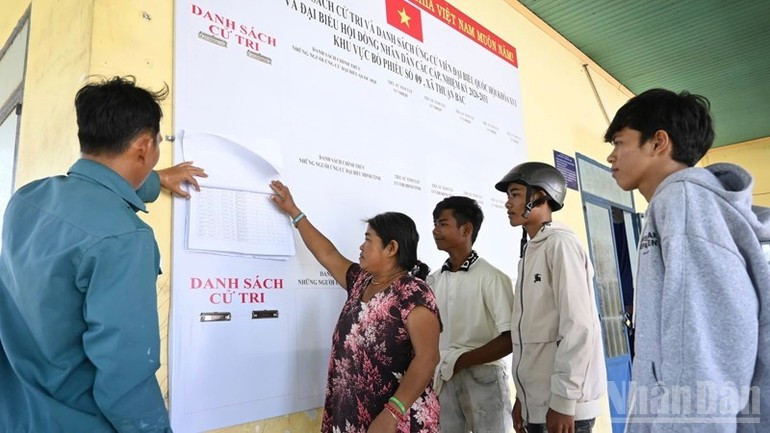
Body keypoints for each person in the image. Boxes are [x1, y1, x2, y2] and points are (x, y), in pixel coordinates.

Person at [0, 76, 205, 432]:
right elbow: (125, 378)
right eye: (157, 143)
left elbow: (97, 183)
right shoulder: (126, 239)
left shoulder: (27, 198)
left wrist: (153, 179)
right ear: (144, 147)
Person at [605, 88, 770, 432]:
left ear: (658, 142)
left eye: (619, 142)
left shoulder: (681, 200)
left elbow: (703, 339)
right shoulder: (683, 203)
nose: (611, 156)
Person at [269, 180, 441, 433]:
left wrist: (393, 412)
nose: (362, 246)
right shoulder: (361, 281)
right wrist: (295, 212)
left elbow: (428, 358)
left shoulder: (414, 293)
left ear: (391, 248)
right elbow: (327, 254)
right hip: (350, 415)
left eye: (368, 240)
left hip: (396, 422)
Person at [495, 162, 606, 433]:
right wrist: (524, 399)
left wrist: (564, 401)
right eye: (508, 196)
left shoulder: (561, 245)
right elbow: (532, 335)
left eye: (515, 194)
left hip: (564, 408)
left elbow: (578, 326)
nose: (508, 203)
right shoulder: (531, 251)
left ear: (541, 196)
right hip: (540, 404)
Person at [427, 196, 514, 432]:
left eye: (443, 224)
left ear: (466, 229)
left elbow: (510, 339)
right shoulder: (433, 280)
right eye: (434, 224)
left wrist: (461, 361)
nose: (435, 230)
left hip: (483, 375)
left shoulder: (492, 278)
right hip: (444, 376)